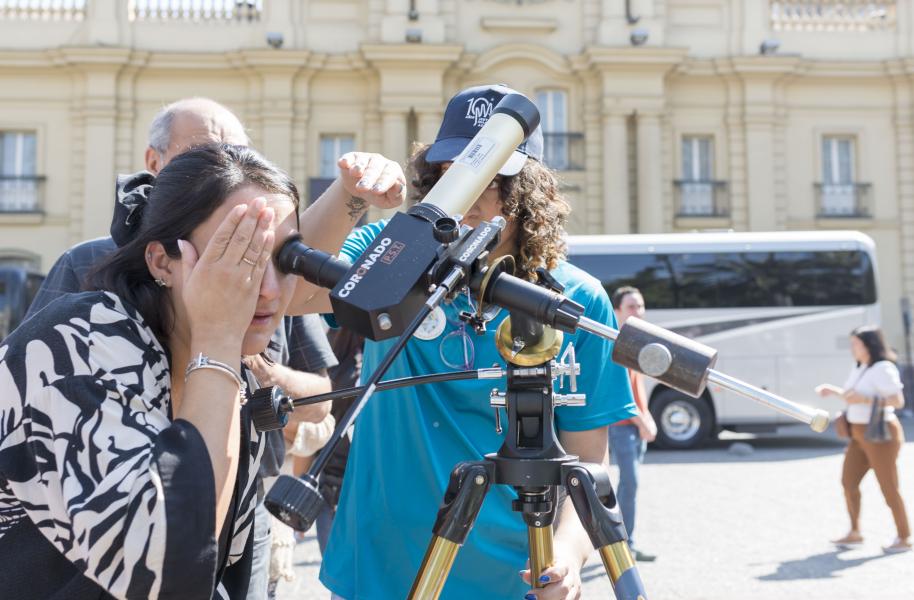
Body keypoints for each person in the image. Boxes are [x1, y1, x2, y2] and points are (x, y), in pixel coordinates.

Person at [0, 143, 405, 598]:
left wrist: (355, 193)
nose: (269, 290)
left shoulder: (218, 350)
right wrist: (218, 339)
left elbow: (305, 287)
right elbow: (167, 566)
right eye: (235, 259)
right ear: (160, 261)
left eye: (284, 259)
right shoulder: (72, 348)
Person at [296, 84, 637, 600]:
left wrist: (567, 554)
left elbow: (589, 462)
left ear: (527, 188)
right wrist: (349, 193)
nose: (469, 194)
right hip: (383, 569)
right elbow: (292, 293)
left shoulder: (577, 300)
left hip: (518, 576)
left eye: (490, 175)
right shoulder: (391, 255)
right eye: (451, 172)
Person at [816, 325, 911, 554]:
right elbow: (854, 397)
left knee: (888, 487)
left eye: (856, 344)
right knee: (848, 482)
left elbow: (898, 401)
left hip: (881, 434)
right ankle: (855, 532)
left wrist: (866, 400)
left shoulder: (883, 368)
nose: (852, 348)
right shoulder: (860, 367)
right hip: (858, 434)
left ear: (870, 345)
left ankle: (904, 536)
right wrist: (833, 391)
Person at [609, 286, 658, 562]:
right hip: (622, 425)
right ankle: (621, 546)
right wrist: (643, 421)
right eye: (631, 306)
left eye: (640, 306)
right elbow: (620, 394)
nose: (637, 311)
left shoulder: (636, 339)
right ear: (617, 310)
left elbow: (637, 386)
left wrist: (647, 415)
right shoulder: (616, 341)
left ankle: (624, 544)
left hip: (634, 424)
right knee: (629, 483)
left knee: (629, 485)